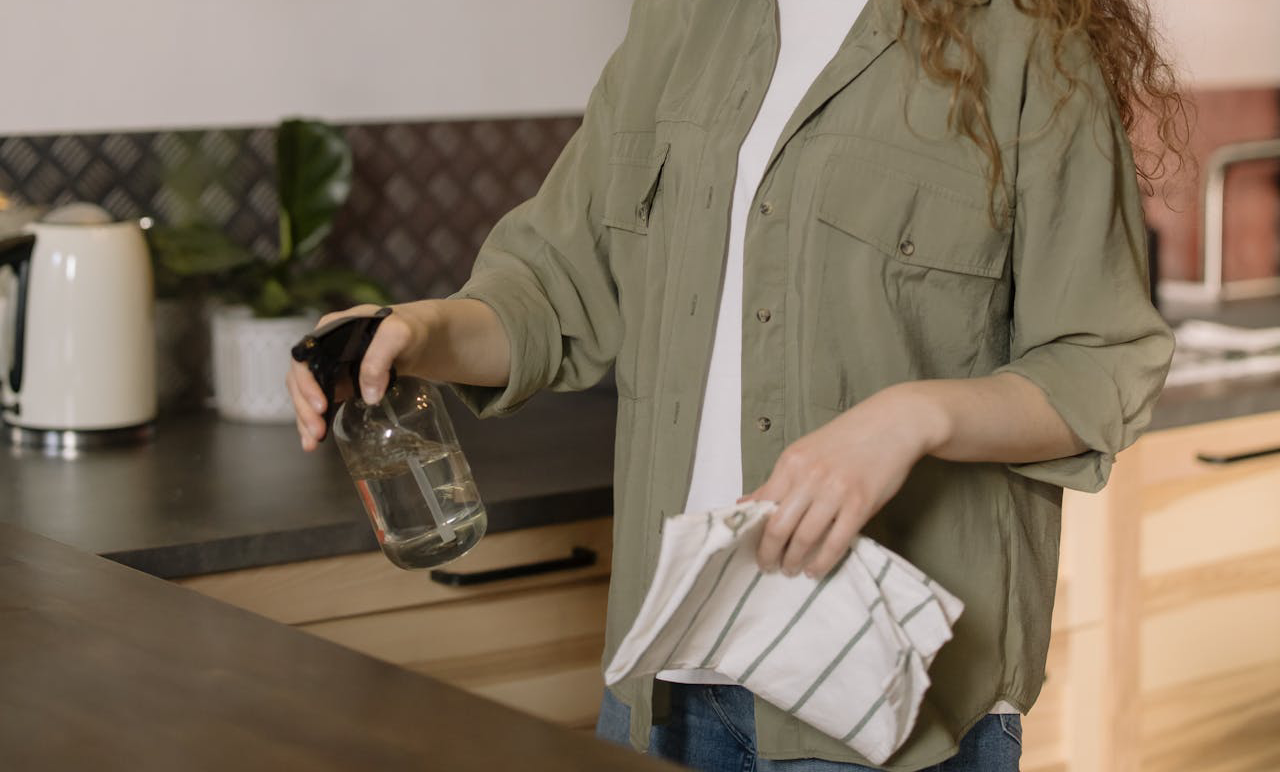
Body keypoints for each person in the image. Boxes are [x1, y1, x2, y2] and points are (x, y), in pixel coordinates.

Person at [288, 0, 1189, 769]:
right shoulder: (682, 22)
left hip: (891, 705)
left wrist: (912, 418)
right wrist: (420, 331)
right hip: (667, 686)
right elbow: (553, 289)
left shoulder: (1027, 39)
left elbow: (1101, 360)